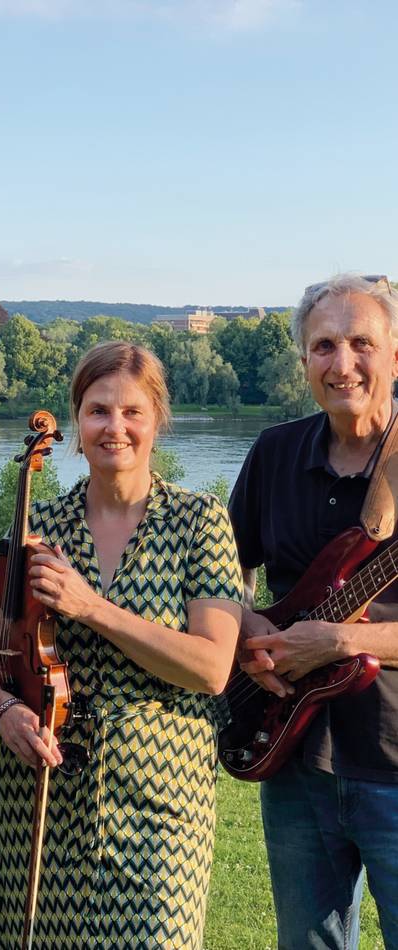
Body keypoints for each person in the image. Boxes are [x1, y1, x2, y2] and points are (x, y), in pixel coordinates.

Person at [0, 340, 243, 949]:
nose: (115, 428)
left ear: (158, 420)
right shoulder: (37, 530)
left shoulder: (199, 522)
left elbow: (212, 667)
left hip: (161, 805)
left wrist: (92, 608)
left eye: (132, 411)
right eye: (98, 410)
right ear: (77, 424)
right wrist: (4, 713)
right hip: (45, 798)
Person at [229, 273, 398, 949]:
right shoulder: (274, 453)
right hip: (293, 758)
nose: (343, 363)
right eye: (324, 346)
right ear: (304, 361)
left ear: (394, 354)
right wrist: (247, 629)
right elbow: (217, 575)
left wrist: (332, 640)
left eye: (362, 342)